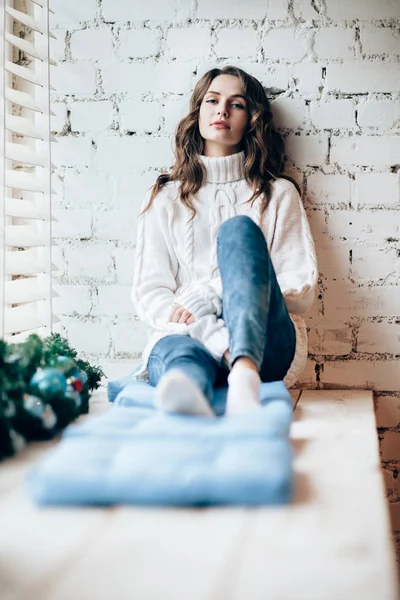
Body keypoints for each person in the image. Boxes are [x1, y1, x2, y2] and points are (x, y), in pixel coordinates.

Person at [131, 65, 317, 417]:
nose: (222, 110)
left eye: (237, 104)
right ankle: (188, 391)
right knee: (175, 353)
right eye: (213, 101)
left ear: (252, 119)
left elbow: (300, 288)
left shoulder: (277, 194)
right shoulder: (164, 198)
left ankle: (245, 371)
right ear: (198, 112)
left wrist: (209, 295)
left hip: (266, 345)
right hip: (190, 338)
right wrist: (209, 331)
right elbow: (150, 293)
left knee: (238, 231)